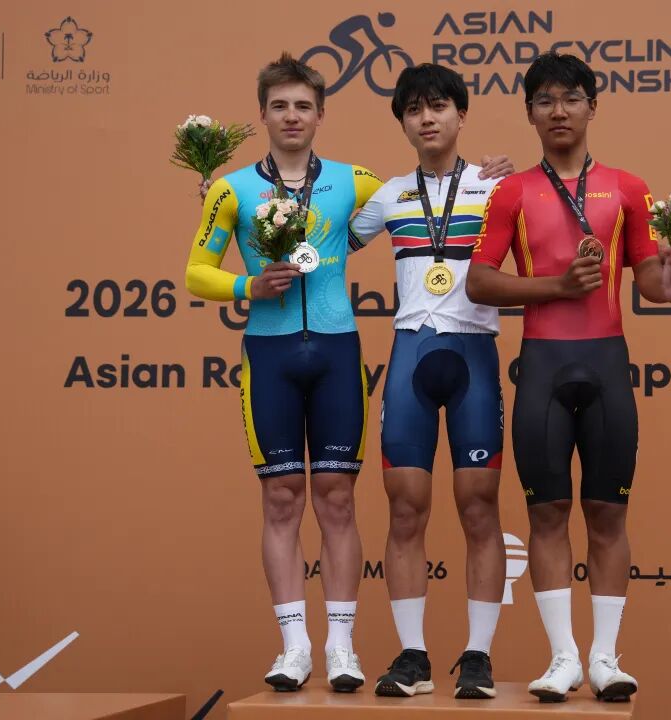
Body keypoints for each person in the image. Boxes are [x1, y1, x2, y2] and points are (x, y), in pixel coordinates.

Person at [466, 52, 671, 703]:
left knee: (608, 511)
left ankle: (604, 658)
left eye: (571, 98)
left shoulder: (628, 188)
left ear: (592, 107)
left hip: (606, 365)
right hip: (543, 366)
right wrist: (556, 285)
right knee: (546, 513)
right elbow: (479, 280)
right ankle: (563, 658)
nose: (559, 111)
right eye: (545, 100)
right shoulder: (513, 192)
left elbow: (651, 283)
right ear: (530, 113)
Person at [185, 53, 383, 694]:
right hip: (269, 354)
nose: (291, 116)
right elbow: (196, 272)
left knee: (337, 498)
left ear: (321, 114)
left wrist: (481, 177)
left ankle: (341, 648)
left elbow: (417, 198)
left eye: (303, 106)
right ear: (263, 115)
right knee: (280, 498)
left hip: (335, 350)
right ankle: (294, 648)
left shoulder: (353, 180)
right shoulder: (232, 189)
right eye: (279, 106)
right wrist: (249, 284)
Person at [349, 64, 511, 700]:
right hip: (411, 354)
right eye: (414, 110)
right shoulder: (389, 195)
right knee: (405, 508)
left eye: (439, 106)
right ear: (403, 123)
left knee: (479, 507)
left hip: (473, 354)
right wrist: (260, 224)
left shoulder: (496, 187)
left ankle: (478, 657)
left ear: (461, 115)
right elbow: (322, 246)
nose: (427, 118)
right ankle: (413, 656)